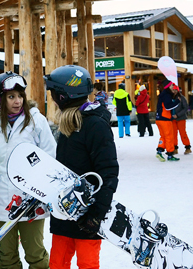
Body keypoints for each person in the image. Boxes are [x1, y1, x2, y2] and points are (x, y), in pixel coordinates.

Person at [44, 65, 119, 269]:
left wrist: (96, 214)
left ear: (62, 96)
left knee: (87, 264)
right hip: (63, 212)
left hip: (88, 214)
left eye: (53, 92)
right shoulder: (69, 123)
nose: (51, 97)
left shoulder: (95, 125)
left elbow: (109, 172)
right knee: (57, 264)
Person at [0, 71, 56, 269]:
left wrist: (43, 187)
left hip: (32, 198)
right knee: (7, 255)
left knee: (36, 253)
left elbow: (50, 155)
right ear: (0, 98)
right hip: (0, 198)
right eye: (11, 96)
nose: (17, 101)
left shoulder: (36, 121)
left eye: (20, 95)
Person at [155, 80, 189, 160]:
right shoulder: (167, 95)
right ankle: (170, 154)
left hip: (159, 118)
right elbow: (168, 106)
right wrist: (177, 101)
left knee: (163, 136)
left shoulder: (163, 94)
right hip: (165, 119)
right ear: (168, 87)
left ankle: (159, 150)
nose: (172, 87)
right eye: (171, 86)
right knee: (169, 136)